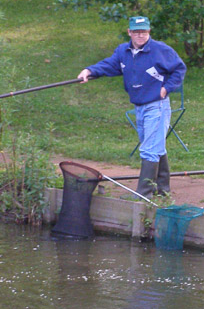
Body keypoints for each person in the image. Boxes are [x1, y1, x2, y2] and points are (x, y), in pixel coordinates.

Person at [78, 16, 187, 199]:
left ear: (149, 32)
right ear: (129, 32)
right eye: (136, 32)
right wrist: (89, 71)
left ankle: (143, 195)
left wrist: (166, 88)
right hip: (139, 107)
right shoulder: (123, 51)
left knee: (149, 149)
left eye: (144, 32)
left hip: (157, 106)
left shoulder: (160, 50)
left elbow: (179, 69)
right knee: (156, 147)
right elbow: (109, 65)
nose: (140, 35)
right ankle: (162, 191)